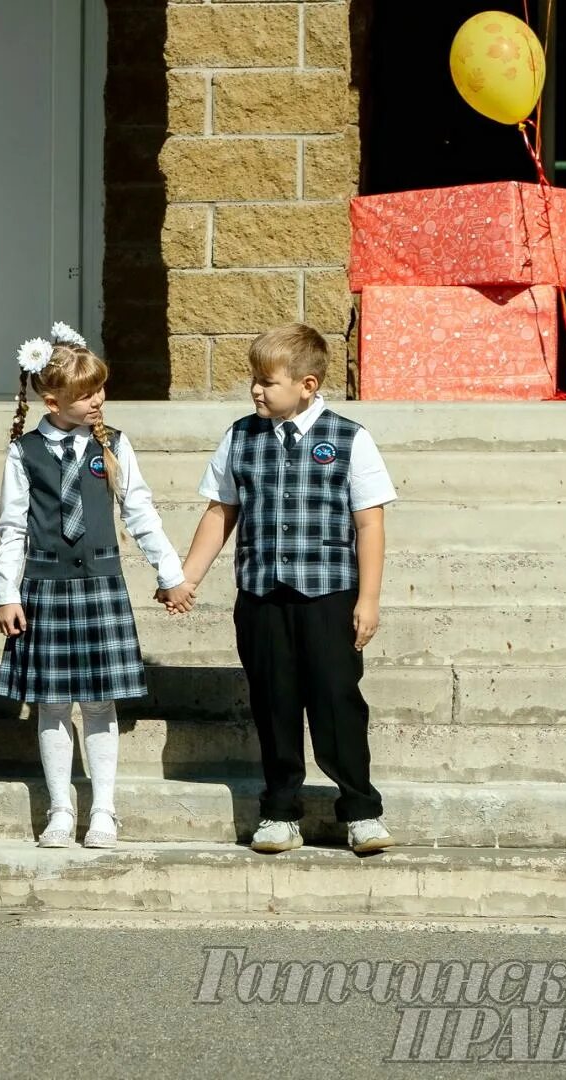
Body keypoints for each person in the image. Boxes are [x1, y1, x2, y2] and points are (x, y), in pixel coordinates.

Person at [174, 323, 398, 855]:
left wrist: (368, 599)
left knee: (336, 701)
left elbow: (369, 524)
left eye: (267, 381)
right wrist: (188, 577)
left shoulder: (349, 438)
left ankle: (361, 809)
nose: (256, 389)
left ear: (308, 384)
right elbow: (219, 512)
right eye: (253, 378)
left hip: (329, 597)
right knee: (273, 704)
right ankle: (279, 811)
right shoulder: (240, 437)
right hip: (261, 597)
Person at [0, 324, 193, 849]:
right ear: (52, 399)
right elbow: (12, 529)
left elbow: (139, 511)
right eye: (87, 394)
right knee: (53, 704)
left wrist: (170, 573)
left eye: (101, 389)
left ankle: (104, 808)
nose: (99, 400)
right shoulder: (25, 452)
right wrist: (6, 593)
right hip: (45, 587)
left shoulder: (115, 445)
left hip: (101, 583)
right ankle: (61, 808)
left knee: (101, 703)